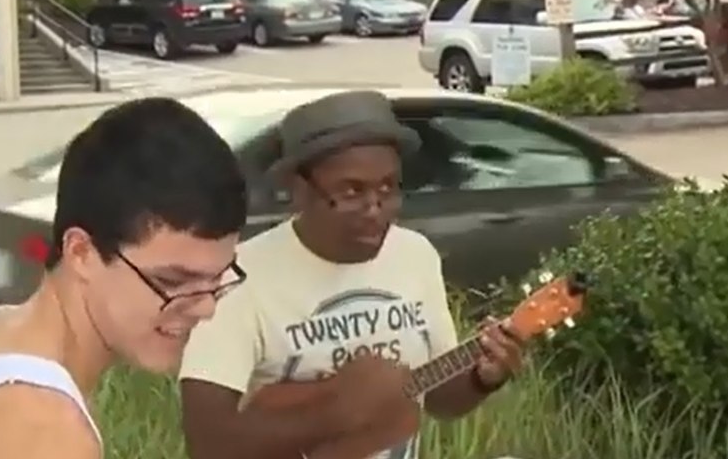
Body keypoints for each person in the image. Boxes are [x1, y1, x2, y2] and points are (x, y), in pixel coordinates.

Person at [178, 90, 525, 459]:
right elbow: (208, 443)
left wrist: (482, 377)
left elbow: (437, 399)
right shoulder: (237, 279)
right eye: (351, 190)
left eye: (388, 188)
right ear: (298, 189)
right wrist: (337, 412)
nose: (375, 209)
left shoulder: (415, 255)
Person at [0, 97, 249, 459]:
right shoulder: (45, 431)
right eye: (173, 282)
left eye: (217, 278)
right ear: (81, 252)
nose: (205, 308)